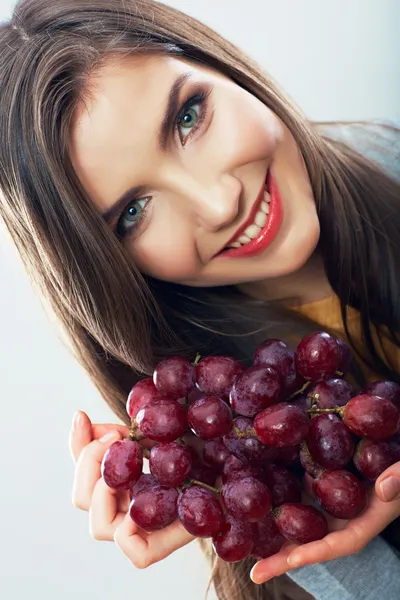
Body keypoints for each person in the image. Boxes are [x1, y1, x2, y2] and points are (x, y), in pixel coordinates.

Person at [0, 1, 399, 599]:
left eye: (188, 118)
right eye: (134, 212)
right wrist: (295, 532)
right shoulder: (235, 446)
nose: (218, 204)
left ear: (224, 68)